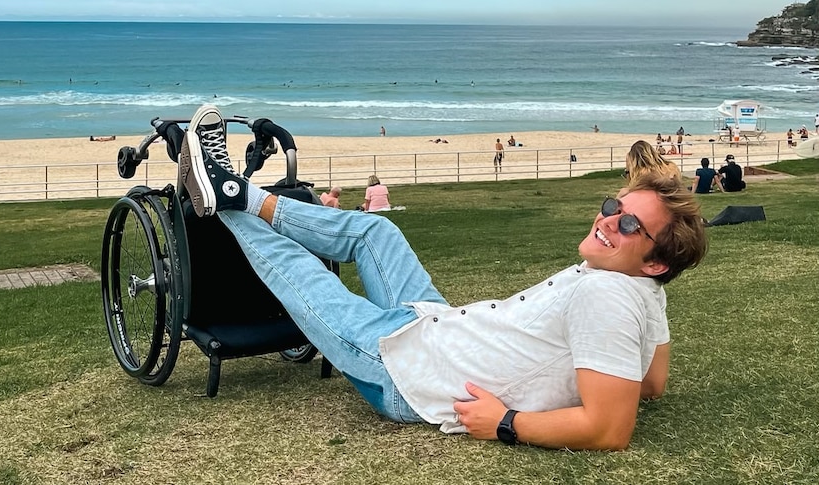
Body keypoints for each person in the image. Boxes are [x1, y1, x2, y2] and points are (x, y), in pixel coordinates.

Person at [172, 104, 709, 450]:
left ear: (655, 259)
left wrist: (507, 421)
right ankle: (239, 194)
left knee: (305, 277)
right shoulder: (644, 288)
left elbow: (609, 429)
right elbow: (652, 385)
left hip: (403, 371)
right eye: (613, 204)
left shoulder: (610, 295)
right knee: (377, 235)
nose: (607, 218)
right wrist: (574, 367)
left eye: (630, 223)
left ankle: (225, 199)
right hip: (436, 325)